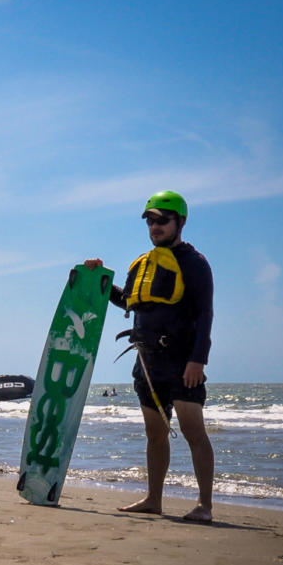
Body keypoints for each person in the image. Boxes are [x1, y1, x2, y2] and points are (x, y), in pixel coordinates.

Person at [85, 190, 215, 524]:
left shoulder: (195, 263)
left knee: (193, 431)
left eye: (162, 220)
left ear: (180, 222)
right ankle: (153, 499)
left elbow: (204, 315)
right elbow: (128, 301)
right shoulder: (143, 264)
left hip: (182, 361)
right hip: (146, 362)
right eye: (150, 221)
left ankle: (204, 505)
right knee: (154, 433)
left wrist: (197, 360)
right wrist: (99, 278)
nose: (155, 226)